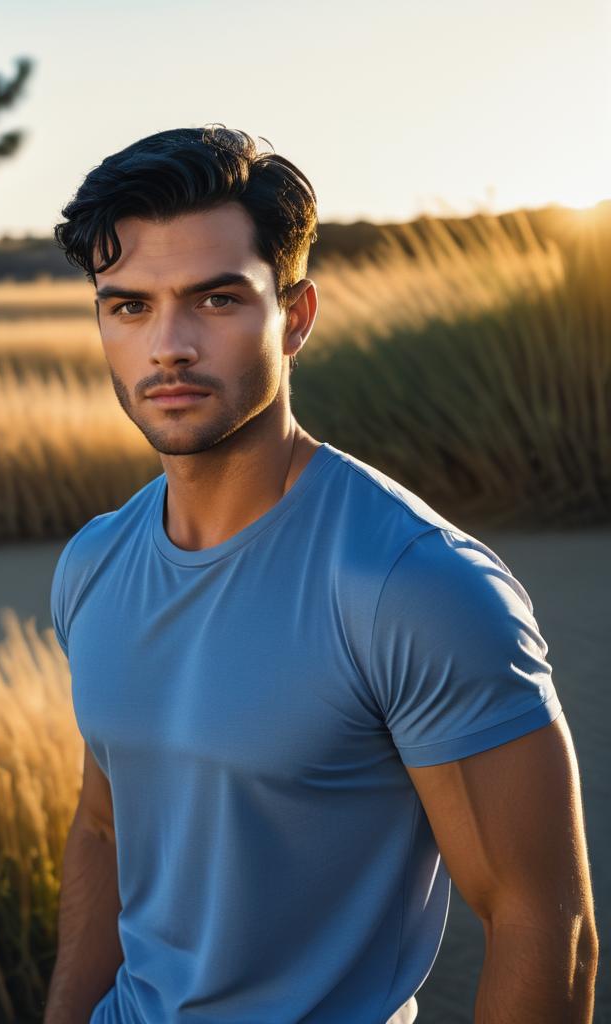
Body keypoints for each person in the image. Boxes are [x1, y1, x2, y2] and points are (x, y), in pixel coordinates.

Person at [41, 126, 598, 1024]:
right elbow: (106, 828)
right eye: (129, 306)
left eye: (215, 300)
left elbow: (544, 923)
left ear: (295, 316)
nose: (168, 347)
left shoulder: (412, 584)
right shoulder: (94, 563)